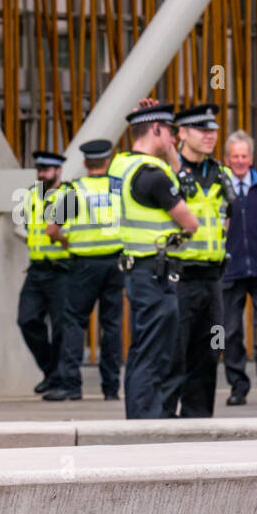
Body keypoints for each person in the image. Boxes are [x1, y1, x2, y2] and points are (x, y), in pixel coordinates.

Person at [111, 101, 200, 420]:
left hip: (140, 272)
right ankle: (146, 422)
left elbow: (178, 178)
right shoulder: (152, 176)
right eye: (171, 133)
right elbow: (191, 222)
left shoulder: (122, 165)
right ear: (157, 129)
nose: (175, 140)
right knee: (154, 353)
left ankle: (151, 416)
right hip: (154, 274)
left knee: (147, 348)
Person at [161, 103, 234, 418]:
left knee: (211, 349)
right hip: (180, 278)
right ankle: (161, 421)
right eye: (202, 130)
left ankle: (199, 419)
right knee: (174, 351)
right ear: (182, 134)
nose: (210, 136)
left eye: (213, 130)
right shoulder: (169, 174)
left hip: (213, 280)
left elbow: (226, 218)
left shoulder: (222, 173)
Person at [43, 139, 124, 401]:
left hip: (83, 266)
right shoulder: (119, 189)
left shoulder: (73, 191)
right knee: (111, 326)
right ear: (108, 161)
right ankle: (111, 389)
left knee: (75, 322)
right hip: (116, 263)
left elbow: (52, 229)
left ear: (86, 163)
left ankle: (71, 386)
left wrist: (65, 241)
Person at [220, 129, 257, 405]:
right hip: (229, 270)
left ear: (251, 158)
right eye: (234, 156)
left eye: (244, 155)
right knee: (228, 332)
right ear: (227, 159)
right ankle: (238, 385)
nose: (239, 161)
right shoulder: (220, 189)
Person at [16, 150, 70, 394]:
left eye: (46, 170)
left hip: (61, 270)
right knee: (27, 320)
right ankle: (51, 371)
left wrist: (60, 237)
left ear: (58, 171)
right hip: (37, 269)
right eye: (39, 169)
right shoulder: (30, 195)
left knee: (61, 328)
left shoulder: (69, 196)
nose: (41, 174)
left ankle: (58, 378)